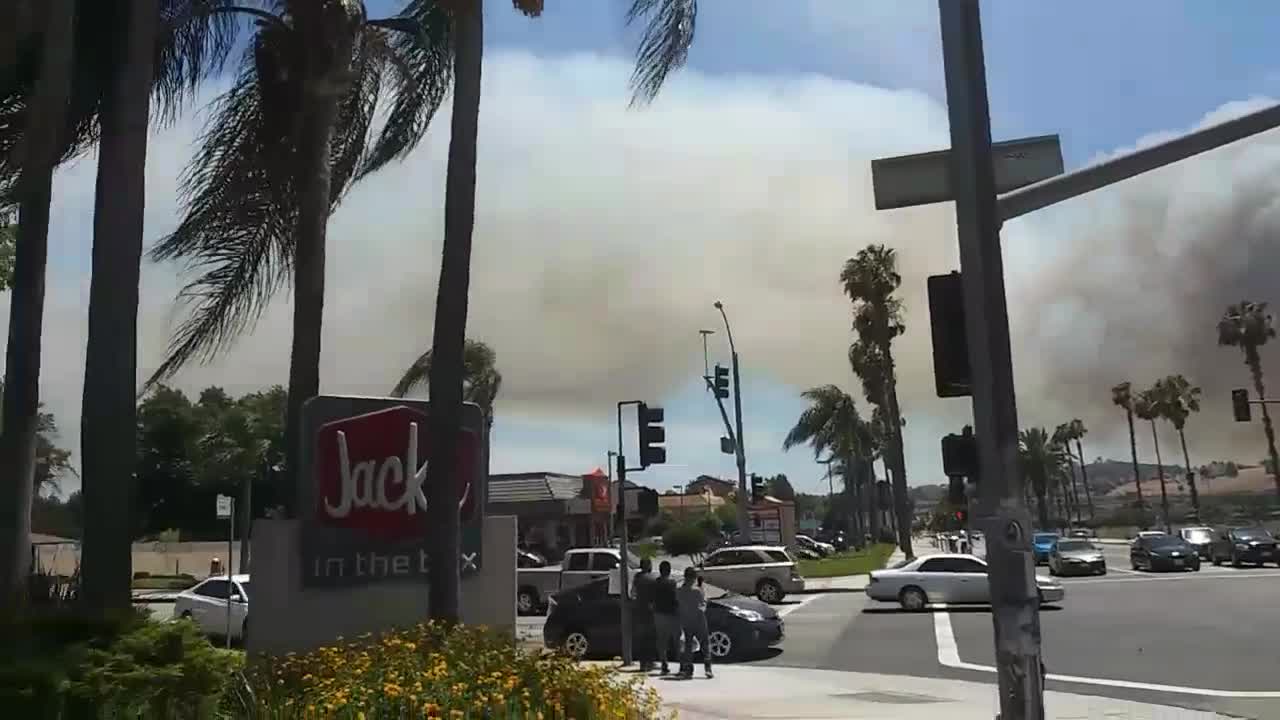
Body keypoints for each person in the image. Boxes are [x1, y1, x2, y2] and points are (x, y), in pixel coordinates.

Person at [676, 566, 712, 678]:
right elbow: (703, 605)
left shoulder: (679, 591)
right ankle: (708, 668)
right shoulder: (697, 591)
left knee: (688, 646)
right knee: (705, 644)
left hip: (686, 621)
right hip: (699, 621)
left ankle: (688, 669)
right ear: (694, 578)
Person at [651, 561, 680, 675]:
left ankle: (664, 663)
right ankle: (681, 664)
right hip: (672, 614)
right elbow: (676, 598)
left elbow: (652, 599)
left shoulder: (656, 583)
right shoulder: (672, 583)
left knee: (662, 641)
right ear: (669, 570)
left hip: (659, 614)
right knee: (676, 640)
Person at [631, 557, 656, 671]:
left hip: (639, 610)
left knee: (641, 638)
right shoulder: (652, 579)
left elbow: (632, 593)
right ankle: (650, 662)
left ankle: (642, 664)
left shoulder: (637, 578)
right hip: (650, 611)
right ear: (648, 566)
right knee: (650, 638)